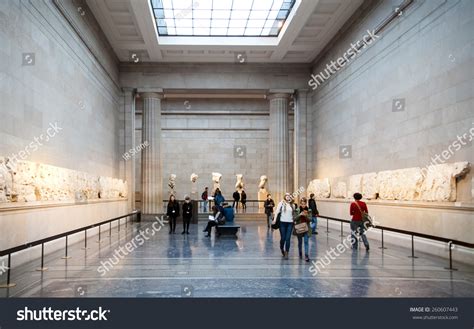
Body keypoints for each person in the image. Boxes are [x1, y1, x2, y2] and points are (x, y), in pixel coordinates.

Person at [272, 193, 295, 259]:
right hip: (282, 223)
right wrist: (275, 220)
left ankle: (287, 252)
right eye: (287, 195)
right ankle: (282, 249)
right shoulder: (281, 203)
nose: (288, 196)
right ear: (285, 196)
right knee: (283, 238)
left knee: (288, 239)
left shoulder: (292, 205)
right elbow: (276, 211)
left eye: (289, 196)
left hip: (290, 223)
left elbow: (294, 214)